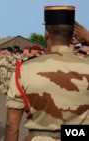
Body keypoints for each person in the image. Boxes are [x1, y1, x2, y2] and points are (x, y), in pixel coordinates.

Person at [5, 5, 89, 141]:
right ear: (73, 35)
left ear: (46, 33)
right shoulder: (86, 66)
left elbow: (11, 125)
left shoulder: (24, 70)